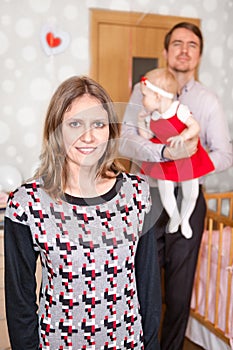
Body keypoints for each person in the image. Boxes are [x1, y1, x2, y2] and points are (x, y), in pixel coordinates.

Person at [4, 76, 161, 350]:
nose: (88, 137)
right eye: (75, 124)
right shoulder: (27, 203)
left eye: (98, 124)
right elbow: (20, 303)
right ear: (56, 130)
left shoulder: (136, 193)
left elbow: (147, 286)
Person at [119, 22, 232, 350]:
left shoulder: (207, 101)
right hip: (149, 197)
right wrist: (163, 153)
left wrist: (187, 166)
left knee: (180, 292)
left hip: (187, 197)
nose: (184, 49)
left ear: (199, 55)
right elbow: (126, 140)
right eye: (177, 43)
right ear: (166, 51)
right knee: (144, 284)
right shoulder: (142, 93)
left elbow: (225, 153)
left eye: (192, 44)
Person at [138, 68, 215, 239]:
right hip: (165, 158)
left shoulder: (179, 109)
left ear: (157, 96)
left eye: (145, 95)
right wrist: (140, 122)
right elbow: (148, 137)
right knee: (166, 190)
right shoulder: (152, 116)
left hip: (187, 156)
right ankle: (175, 216)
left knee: (191, 193)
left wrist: (184, 136)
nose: (142, 100)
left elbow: (194, 127)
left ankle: (185, 219)